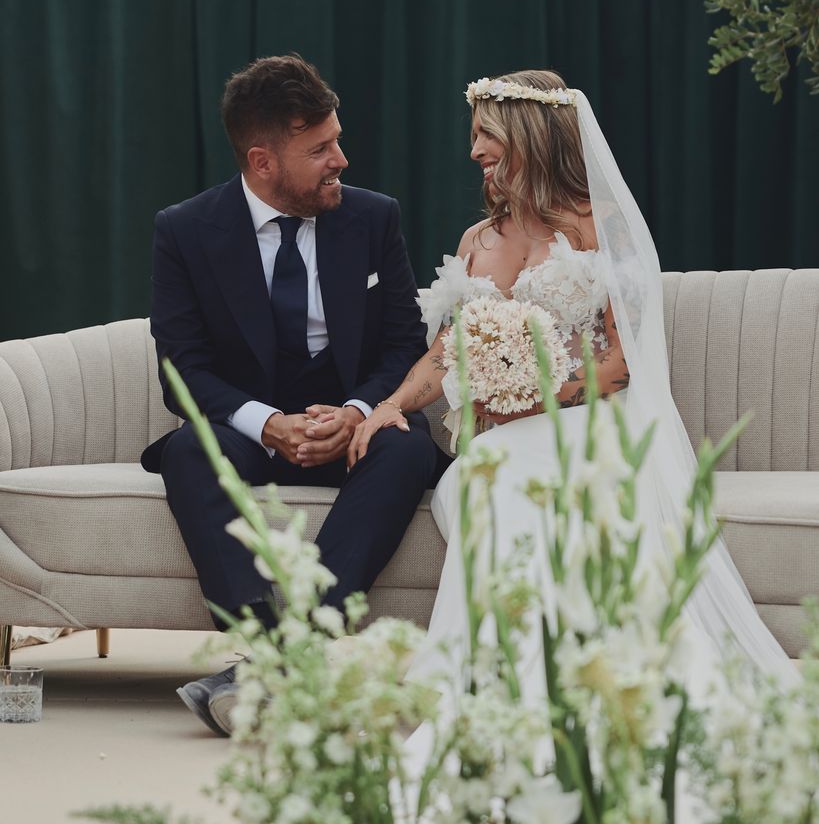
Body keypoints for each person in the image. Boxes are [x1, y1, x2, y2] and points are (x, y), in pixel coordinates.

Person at [349, 68, 797, 720]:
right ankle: (504, 686)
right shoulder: (476, 241)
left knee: (509, 483)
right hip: (498, 438)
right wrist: (391, 405)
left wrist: (520, 401)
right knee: (480, 480)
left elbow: (619, 366)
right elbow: (445, 350)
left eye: (484, 134)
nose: (472, 150)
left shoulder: (597, 229)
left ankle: (553, 690)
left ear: (527, 135)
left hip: (589, 423)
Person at [141, 54, 447, 735]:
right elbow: (182, 370)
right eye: (320, 149)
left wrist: (360, 410)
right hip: (250, 431)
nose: (341, 159)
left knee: (405, 451)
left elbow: (404, 343)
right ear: (262, 161)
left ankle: (281, 661)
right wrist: (267, 423)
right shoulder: (185, 231)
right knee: (191, 453)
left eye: (336, 140)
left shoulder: (374, 219)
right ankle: (281, 653)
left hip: (351, 427)